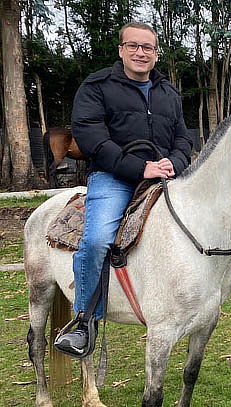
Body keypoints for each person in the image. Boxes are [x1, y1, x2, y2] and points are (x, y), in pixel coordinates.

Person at [54, 22, 192, 357]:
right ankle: (84, 320)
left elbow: (183, 138)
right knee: (98, 238)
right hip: (113, 177)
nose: (141, 53)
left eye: (148, 48)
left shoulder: (168, 93)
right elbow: (90, 136)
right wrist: (139, 167)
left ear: (157, 54)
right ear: (121, 50)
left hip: (162, 175)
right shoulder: (97, 86)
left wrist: (174, 161)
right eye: (134, 46)